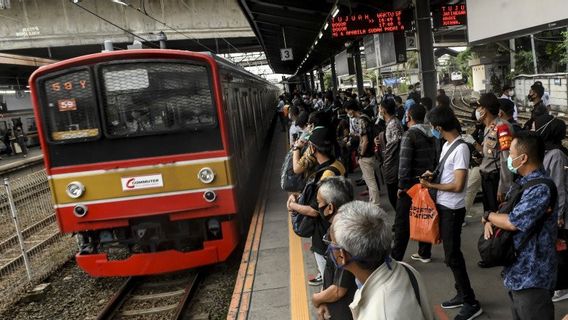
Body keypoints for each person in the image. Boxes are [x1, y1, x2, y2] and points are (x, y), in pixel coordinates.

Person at [482, 132, 557, 320]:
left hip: (533, 277)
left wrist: (488, 215)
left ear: (523, 158)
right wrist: (492, 219)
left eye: (511, 153)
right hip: (518, 273)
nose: (508, 158)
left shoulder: (540, 189)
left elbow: (512, 222)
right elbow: (505, 213)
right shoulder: (525, 184)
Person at [421, 106, 483, 320]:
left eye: (433, 127)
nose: (432, 131)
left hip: (453, 210)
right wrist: (433, 175)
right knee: (451, 255)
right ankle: (461, 293)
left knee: (453, 256)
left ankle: (470, 301)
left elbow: (458, 185)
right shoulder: (448, 144)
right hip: (445, 206)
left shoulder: (461, 149)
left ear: (438, 127)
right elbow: (447, 174)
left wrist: (432, 187)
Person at [329, 200, 434, 320]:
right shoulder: (406, 270)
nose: (331, 247)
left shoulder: (378, 314)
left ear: (342, 255)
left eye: (332, 242)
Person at [288, 127, 346, 287]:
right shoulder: (337, 165)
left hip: (324, 232)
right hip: (339, 223)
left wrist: (293, 205)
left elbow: (314, 211)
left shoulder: (325, 175)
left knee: (331, 278)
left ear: (313, 148)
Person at [391, 104, 437, 263]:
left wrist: (401, 187)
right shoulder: (431, 134)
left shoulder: (409, 135)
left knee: (402, 222)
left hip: (410, 185)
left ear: (408, 117)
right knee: (423, 215)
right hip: (426, 183)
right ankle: (424, 253)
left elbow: (404, 164)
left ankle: (396, 257)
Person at [532, 114, 568, 302]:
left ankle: (562, 287)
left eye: (536, 126)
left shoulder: (556, 155)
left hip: (558, 212)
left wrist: (559, 215)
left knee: (560, 248)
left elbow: (559, 188)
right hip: (551, 209)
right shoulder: (548, 151)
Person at [312, 177, 357, 320]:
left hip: (346, 311)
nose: (317, 206)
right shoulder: (339, 227)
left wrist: (317, 298)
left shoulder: (345, 236)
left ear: (330, 207)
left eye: (319, 202)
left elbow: (339, 289)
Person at [477, 94, 514, 263]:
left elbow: (506, 160)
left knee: (497, 217)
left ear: (485, 109)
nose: (477, 110)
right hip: (487, 178)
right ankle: (491, 252)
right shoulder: (488, 128)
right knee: (489, 216)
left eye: (479, 107)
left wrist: (504, 186)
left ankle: (500, 254)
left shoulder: (502, 128)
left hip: (496, 180)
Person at [344, 101, 381, 207]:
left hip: (366, 155)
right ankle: (373, 200)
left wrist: (361, 154)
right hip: (371, 153)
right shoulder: (366, 117)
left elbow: (365, 140)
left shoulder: (361, 120)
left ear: (351, 110)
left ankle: (375, 204)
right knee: (370, 179)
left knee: (370, 181)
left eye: (348, 111)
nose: (348, 113)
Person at [379, 99, 404, 211]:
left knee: (393, 194)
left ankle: (401, 222)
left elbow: (393, 146)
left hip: (394, 164)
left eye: (380, 108)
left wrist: (386, 164)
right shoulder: (391, 122)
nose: (378, 110)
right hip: (393, 164)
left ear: (383, 110)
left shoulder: (393, 124)